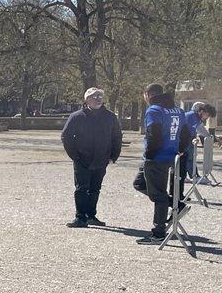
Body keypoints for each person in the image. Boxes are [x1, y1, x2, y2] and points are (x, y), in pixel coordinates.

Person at [137, 83, 191, 245]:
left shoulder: (154, 110)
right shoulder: (178, 111)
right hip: (169, 156)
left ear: (147, 94)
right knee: (139, 183)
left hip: (157, 158)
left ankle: (158, 232)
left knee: (158, 194)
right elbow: (186, 133)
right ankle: (175, 204)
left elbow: (154, 134)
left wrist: (150, 155)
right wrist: (180, 148)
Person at [60, 87, 122, 228]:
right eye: (94, 96)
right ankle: (80, 217)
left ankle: (91, 215)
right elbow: (66, 136)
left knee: (95, 189)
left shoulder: (110, 117)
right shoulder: (76, 116)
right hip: (82, 159)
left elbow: (117, 136)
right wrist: (75, 156)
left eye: (100, 96)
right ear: (87, 99)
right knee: (82, 188)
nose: (98, 99)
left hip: (101, 159)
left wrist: (113, 156)